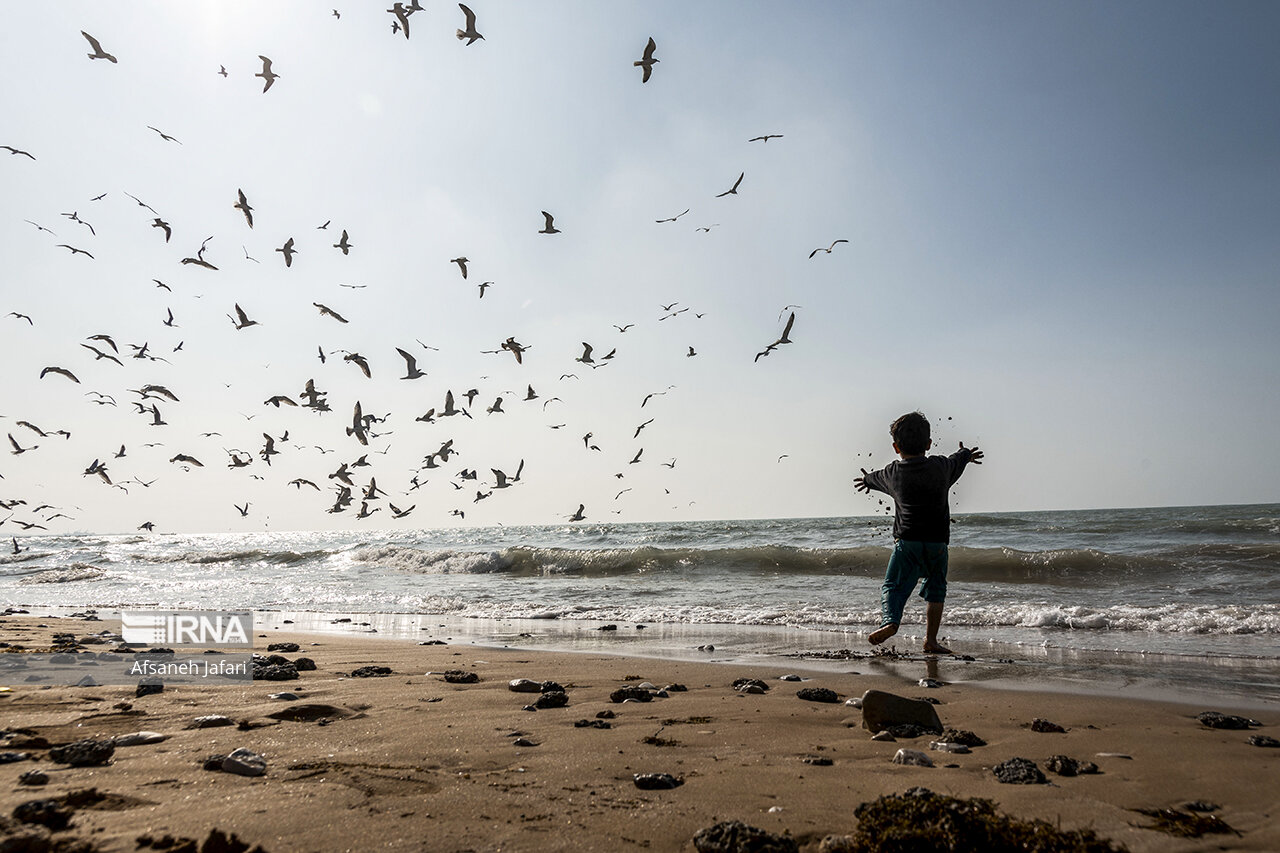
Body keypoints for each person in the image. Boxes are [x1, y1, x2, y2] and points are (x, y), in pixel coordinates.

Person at [853, 411, 983, 654]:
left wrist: (866, 480)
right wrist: (966, 454)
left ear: (895, 447)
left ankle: (890, 621)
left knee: (892, 586)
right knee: (937, 591)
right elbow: (957, 459)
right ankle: (931, 641)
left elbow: (873, 478)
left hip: (907, 542)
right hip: (937, 544)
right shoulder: (942, 467)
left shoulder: (893, 473)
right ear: (929, 444)